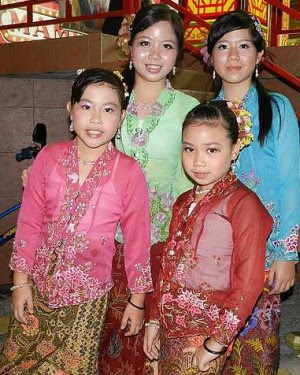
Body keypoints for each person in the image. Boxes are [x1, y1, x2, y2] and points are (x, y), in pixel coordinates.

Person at [0, 68, 153, 374]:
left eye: (108, 109)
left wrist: (137, 302)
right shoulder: (49, 158)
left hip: (87, 300)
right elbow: (29, 223)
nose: (96, 119)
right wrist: (19, 283)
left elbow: (138, 241)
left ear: (121, 116)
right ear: (70, 110)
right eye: (86, 106)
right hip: (38, 288)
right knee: (17, 366)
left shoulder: (129, 171)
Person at [99, 3, 199, 374]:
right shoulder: (109, 101)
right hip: (107, 242)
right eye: (145, 43)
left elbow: (194, 184)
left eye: (167, 46)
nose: (155, 56)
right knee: (106, 340)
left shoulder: (189, 109)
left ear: (178, 56)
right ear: (129, 45)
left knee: (152, 345)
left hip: (163, 243)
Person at [202, 10, 300, 374]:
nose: (232, 55)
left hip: (264, 252)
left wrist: (287, 254)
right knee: (212, 352)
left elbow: (292, 182)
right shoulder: (203, 113)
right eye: (223, 46)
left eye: (244, 46)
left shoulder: (278, 109)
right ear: (210, 56)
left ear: (259, 56)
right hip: (214, 256)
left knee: (255, 351)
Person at [143, 100, 273, 374]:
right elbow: (167, 267)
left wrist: (216, 344)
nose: (198, 161)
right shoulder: (183, 201)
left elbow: (249, 281)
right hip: (170, 327)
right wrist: (153, 319)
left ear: (234, 149)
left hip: (206, 332)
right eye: (189, 149)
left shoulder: (242, 203)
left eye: (211, 150)